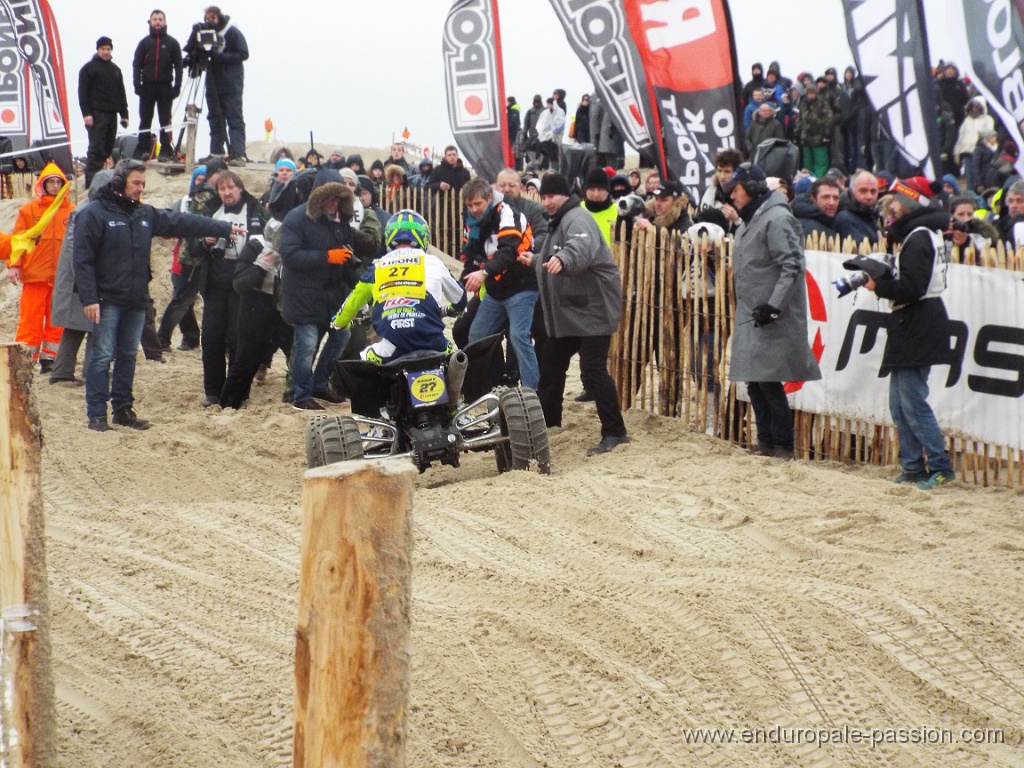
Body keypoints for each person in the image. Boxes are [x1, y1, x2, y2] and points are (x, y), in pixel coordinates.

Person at [73, 159, 242, 431]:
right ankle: (96, 414)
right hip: (106, 299)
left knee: (128, 355)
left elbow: (181, 222)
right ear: (118, 183)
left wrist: (222, 228)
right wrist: (89, 298)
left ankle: (123, 409)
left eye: (143, 183)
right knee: (103, 356)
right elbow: (82, 260)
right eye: (135, 183)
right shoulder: (93, 214)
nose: (140, 188)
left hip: (136, 298)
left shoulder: (144, 214)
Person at [518, 173, 629, 456]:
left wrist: (563, 259)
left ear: (565, 195)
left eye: (551, 196)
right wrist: (537, 260)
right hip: (573, 312)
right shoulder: (560, 220)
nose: (546, 202)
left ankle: (615, 431)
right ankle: (550, 423)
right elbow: (555, 254)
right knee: (551, 363)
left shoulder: (577, 218)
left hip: (593, 310)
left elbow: (579, 248)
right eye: (543, 197)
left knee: (593, 371)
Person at [862, 178, 956, 488]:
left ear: (912, 202)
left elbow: (912, 288)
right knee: (900, 405)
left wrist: (880, 286)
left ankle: (940, 467)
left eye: (897, 200)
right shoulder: (924, 234)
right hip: (913, 322)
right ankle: (913, 467)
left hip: (918, 320)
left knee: (913, 402)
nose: (891, 206)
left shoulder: (918, 237)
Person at [724, 163, 821, 460]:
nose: (733, 197)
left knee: (768, 381)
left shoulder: (777, 218)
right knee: (755, 380)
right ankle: (766, 441)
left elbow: (792, 265)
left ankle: (783, 445)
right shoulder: (753, 219)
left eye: (737, 190)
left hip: (770, 315)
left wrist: (774, 306)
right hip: (753, 314)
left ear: (752, 189)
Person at [279, 169, 376, 410]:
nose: (334, 203)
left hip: (332, 297)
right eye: (329, 198)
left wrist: (368, 288)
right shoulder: (296, 218)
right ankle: (300, 395)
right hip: (303, 297)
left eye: (338, 198)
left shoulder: (341, 223)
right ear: (318, 198)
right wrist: (326, 257)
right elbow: (289, 255)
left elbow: (346, 263)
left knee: (340, 337)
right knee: (307, 345)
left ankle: (320, 384)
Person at [331, 210, 466, 364]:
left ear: (389, 237)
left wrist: (339, 322)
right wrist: (456, 309)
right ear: (423, 236)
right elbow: (460, 297)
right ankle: (456, 389)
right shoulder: (433, 262)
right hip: (434, 344)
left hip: (393, 347)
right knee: (455, 359)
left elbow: (352, 303)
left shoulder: (377, 267)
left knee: (364, 360)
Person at [189, 171, 265, 405]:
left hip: (243, 282)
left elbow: (265, 242)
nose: (227, 193)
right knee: (211, 337)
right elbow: (191, 247)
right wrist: (205, 241)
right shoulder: (210, 210)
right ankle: (212, 392)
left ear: (240, 188)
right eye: (222, 189)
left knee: (238, 339)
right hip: (214, 282)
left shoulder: (254, 209)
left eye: (231, 187)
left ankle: (237, 393)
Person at [462, 177, 540, 391]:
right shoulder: (471, 221)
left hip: (521, 285)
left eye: (478, 204)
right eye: (469, 205)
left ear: (489, 198)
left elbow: (508, 251)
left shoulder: (509, 214)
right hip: (496, 289)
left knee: (518, 336)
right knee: (477, 336)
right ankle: (492, 384)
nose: (474, 209)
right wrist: (467, 277)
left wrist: (483, 273)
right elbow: (469, 253)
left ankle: (531, 391)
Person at [6, 163, 74, 372]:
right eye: (50, 182)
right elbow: (18, 240)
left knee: (57, 321)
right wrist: (14, 266)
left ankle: (50, 359)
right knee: (30, 321)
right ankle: (25, 359)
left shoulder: (71, 211)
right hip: (34, 275)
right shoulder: (29, 210)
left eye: (57, 182)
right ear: (42, 185)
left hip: (61, 277)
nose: (54, 186)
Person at [185, 6, 248, 166]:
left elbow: (243, 53)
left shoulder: (232, 32)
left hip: (232, 83)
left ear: (219, 17)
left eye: (212, 18)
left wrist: (219, 57)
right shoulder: (204, 34)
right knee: (215, 117)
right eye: (207, 18)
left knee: (234, 118)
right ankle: (216, 152)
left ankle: (238, 154)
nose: (209, 21)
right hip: (213, 83)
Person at [78, 36, 129, 188]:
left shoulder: (115, 70)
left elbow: (121, 93)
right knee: (96, 148)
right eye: (103, 49)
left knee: (108, 148)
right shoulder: (89, 68)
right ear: (98, 50)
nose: (106, 52)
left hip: (112, 114)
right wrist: (86, 113)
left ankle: (101, 179)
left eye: (108, 49)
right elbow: (83, 93)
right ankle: (90, 182)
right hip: (96, 114)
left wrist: (124, 114)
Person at [132, 9, 182, 162]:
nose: (158, 22)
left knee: (165, 120)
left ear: (165, 22)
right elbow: (137, 65)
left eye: (160, 19)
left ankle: (166, 150)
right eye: (155, 19)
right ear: (150, 22)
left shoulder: (172, 43)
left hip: (165, 87)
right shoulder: (144, 43)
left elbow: (179, 66)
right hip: (147, 87)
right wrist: (137, 85)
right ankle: (143, 151)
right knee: (145, 119)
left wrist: (176, 87)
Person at [835, 169, 881, 246]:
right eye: (863, 191)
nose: (869, 196)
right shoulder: (845, 218)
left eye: (873, 191)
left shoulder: (870, 213)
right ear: (851, 191)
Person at [580, 168, 617, 245]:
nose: (596, 194)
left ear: (607, 191)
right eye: (592, 189)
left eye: (600, 190)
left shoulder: (618, 211)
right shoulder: (577, 210)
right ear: (586, 191)